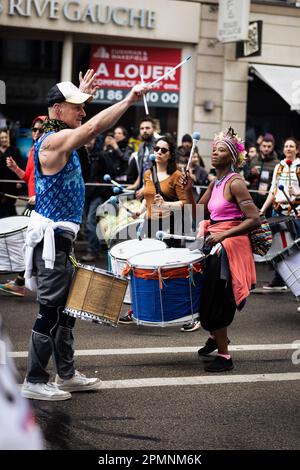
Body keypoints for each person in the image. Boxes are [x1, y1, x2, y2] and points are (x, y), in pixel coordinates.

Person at [21, 70, 150, 400]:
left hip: (63, 239)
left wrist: (79, 94)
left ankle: (65, 374)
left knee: (67, 309)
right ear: (57, 109)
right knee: (50, 310)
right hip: (53, 243)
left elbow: (82, 124)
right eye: (77, 107)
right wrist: (129, 99)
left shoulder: (60, 135)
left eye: (84, 107)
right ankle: (35, 380)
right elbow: (93, 128)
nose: (83, 113)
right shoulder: (50, 141)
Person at [182, 127, 260, 371]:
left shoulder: (235, 183)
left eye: (222, 150)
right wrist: (187, 189)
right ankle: (216, 336)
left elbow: (254, 218)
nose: (215, 153)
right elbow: (197, 212)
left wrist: (224, 234)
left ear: (233, 158)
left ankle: (225, 356)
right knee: (207, 294)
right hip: (215, 243)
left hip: (229, 247)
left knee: (218, 298)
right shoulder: (216, 182)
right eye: (214, 149)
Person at [119, 136, 188, 324]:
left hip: (170, 227)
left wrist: (166, 204)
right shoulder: (148, 172)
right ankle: (138, 310)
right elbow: (147, 197)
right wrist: (138, 211)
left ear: (170, 155)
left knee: (170, 270)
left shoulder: (176, 176)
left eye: (163, 150)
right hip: (150, 224)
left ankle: (180, 312)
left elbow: (185, 203)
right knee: (144, 268)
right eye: (156, 148)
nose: (158, 152)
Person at [0, 116, 47, 297]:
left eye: (40, 130)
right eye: (34, 130)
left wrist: (40, 196)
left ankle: (24, 282)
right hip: (33, 201)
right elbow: (27, 177)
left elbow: (54, 181)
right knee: (29, 242)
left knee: (32, 242)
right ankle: (22, 281)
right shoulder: (34, 149)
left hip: (42, 203)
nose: (36, 133)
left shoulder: (49, 151)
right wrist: (14, 168)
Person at [260, 137, 300, 291]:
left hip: (295, 212)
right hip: (278, 211)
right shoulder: (279, 167)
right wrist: (263, 209)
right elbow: (273, 190)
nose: (288, 149)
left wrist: (296, 192)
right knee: (278, 247)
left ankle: (296, 282)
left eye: (291, 146)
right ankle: (279, 279)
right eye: (286, 146)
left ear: (296, 150)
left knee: (294, 248)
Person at [246, 134, 279, 215]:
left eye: (269, 146)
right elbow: (246, 178)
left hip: (267, 201)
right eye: (264, 146)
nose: (266, 148)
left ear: (273, 147)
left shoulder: (277, 163)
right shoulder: (254, 160)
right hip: (252, 199)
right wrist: (251, 173)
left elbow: (276, 184)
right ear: (260, 146)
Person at [0, 129, 24, 218]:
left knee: (10, 205)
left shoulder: (14, 150)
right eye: (2, 137)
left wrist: (19, 180)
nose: (4, 139)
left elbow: (21, 165)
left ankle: (14, 222)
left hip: (12, 184)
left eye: (5, 137)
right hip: (1, 184)